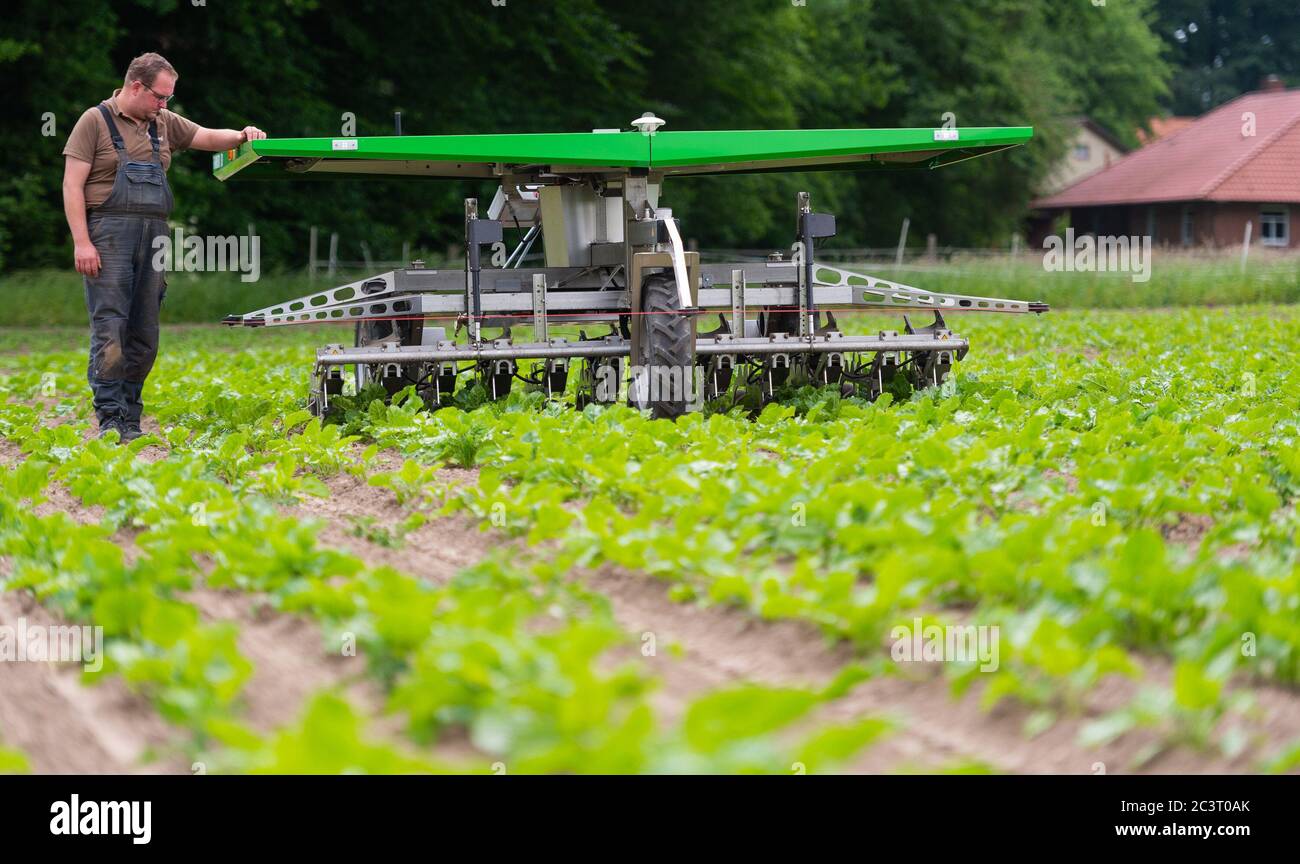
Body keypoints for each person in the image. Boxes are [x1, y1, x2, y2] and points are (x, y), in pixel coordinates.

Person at [62, 52, 267, 441]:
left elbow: (206, 136)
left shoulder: (162, 123)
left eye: (168, 99)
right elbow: (72, 185)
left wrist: (243, 135)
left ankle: (130, 416)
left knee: (144, 332)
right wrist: (82, 242)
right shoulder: (95, 121)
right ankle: (110, 417)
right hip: (108, 233)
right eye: (160, 96)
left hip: (153, 234)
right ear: (136, 86)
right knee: (111, 328)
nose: (164, 105)